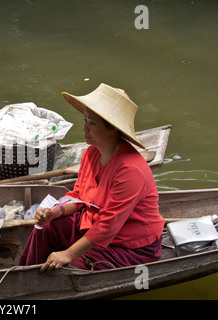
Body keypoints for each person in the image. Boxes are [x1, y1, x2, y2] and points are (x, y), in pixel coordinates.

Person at [19, 83, 165, 271]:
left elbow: (108, 226)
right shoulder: (91, 154)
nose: (85, 128)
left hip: (128, 245)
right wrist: (56, 211)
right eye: (85, 120)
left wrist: (68, 254)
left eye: (92, 123)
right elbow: (79, 196)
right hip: (93, 223)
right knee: (47, 227)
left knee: (73, 266)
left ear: (112, 128)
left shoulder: (130, 169)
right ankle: (27, 275)